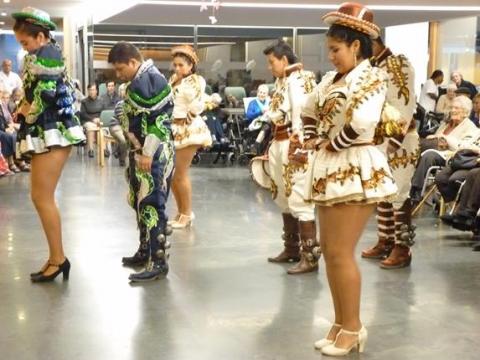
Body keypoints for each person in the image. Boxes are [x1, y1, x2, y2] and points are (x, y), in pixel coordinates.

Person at [302, 3, 397, 355]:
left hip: (357, 168)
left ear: (355, 46)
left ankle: (354, 328)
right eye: (329, 49)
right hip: (331, 169)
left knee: (341, 252)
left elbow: (362, 124)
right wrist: (313, 137)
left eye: (335, 50)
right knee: (330, 252)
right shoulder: (332, 79)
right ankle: (340, 322)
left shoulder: (371, 76)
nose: (330, 57)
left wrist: (329, 142)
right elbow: (308, 109)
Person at [12, 7, 85, 282]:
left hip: (55, 131)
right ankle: (56, 257)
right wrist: (24, 108)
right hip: (47, 131)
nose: (25, 48)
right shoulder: (40, 55)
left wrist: (27, 112)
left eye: (26, 42)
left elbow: (46, 94)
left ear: (41, 37)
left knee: (42, 198)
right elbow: (35, 94)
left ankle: (59, 259)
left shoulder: (48, 54)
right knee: (40, 197)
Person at [108, 41, 175, 282]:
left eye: (120, 68)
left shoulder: (150, 80)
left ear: (133, 62)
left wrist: (147, 152)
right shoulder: (139, 80)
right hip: (142, 152)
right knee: (140, 200)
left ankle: (158, 262)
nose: (118, 74)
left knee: (152, 203)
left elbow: (159, 120)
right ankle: (145, 250)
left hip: (154, 153)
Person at [261, 40, 319, 275]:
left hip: (294, 144)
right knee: (283, 194)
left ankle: (310, 256)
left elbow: (302, 114)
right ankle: (292, 248)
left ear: (284, 60)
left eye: (271, 62)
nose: (269, 67)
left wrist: (300, 147)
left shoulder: (300, 79)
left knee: (300, 197)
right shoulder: (282, 80)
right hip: (279, 141)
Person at [361, 35, 419, 269]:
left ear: (373, 43)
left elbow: (404, 105)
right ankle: (386, 240)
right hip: (380, 139)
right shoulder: (375, 67)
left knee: (399, 194)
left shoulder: (397, 64)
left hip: (399, 140)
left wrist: (394, 140)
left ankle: (402, 248)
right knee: (383, 192)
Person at [169, 45, 212, 229]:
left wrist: (187, 118)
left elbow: (199, 103)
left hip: (187, 130)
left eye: (181, 65)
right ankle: (181, 212)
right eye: (175, 65)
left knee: (180, 173)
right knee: (172, 175)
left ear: (191, 65)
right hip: (174, 129)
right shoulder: (174, 80)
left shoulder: (195, 81)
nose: (177, 68)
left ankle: (187, 213)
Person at [410, 96, 476, 203]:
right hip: (435, 149)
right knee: (416, 147)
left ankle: (416, 190)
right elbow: (436, 137)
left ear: (465, 111)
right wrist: (436, 137)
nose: (452, 110)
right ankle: (409, 183)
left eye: (456, 108)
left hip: (450, 155)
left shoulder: (470, 127)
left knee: (428, 155)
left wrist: (446, 139)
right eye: (452, 107)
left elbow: (463, 147)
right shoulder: (447, 124)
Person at [79, 83, 106, 158]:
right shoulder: (84, 101)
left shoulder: (101, 100)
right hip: (88, 120)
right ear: (88, 91)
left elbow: (104, 112)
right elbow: (83, 114)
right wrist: (92, 119)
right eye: (90, 90)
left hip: (99, 120)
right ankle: (91, 149)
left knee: (102, 128)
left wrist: (99, 119)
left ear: (96, 91)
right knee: (91, 128)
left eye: (93, 90)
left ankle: (104, 149)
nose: (92, 91)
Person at [108, 83, 128, 166]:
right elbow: (122, 120)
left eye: (125, 90)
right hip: (115, 125)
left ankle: (117, 149)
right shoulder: (120, 104)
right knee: (123, 141)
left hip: (125, 126)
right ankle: (122, 160)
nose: (124, 92)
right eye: (122, 90)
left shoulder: (132, 103)